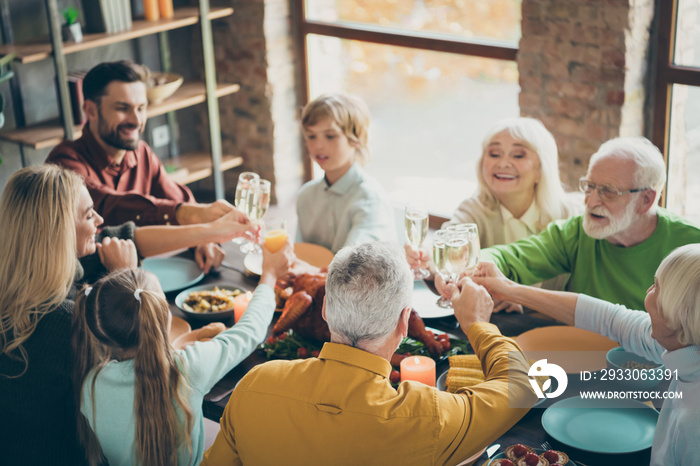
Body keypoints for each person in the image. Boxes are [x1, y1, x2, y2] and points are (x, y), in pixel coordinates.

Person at [0, 165, 255, 465]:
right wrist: (127, 275)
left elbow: (124, 240)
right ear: (57, 231)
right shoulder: (65, 320)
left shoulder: (26, 276)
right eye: (88, 214)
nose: (100, 220)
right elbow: (143, 370)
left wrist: (213, 230)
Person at [201, 242, 536, 465]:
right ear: (405, 323)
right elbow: (521, 386)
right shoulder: (427, 417)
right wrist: (478, 324)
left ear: (326, 310)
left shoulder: (255, 385)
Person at [473, 245, 700, 466]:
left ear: (678, 314)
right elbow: (612, 318)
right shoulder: (681, 340)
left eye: (657, 287)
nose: (648, 292)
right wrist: (509, 289)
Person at [73, 243, 292, 466]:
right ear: (162, 315)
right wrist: (269, 275)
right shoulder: (188, 368)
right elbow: (249, 331)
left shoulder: (91, 384)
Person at [45, 60, 232, 270]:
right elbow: (108, 206)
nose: (136, 120)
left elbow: (178, 200)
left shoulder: (141, 153)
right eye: (123, 108)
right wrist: (192, 216)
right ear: (90, 110)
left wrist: (203, 240)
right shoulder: (63, 163)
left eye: (141, 108)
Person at [478, 136, 700, 311]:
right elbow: (511, 257)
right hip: (582, 356)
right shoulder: (576, 232)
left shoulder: (691, 245)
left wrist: (513, 292)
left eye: (608, 191)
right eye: (590, 186)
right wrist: (478, 266)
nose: (591, 201)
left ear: (646, 200)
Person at [406, 117, 581, 301]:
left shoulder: (571, 215)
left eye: (518, 155)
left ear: (541, 169)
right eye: (495, 154)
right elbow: (448, 250)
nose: (503, 163)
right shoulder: (474, 210)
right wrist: (428, 262)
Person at [296, 93, 396, 253]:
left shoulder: (370, 201)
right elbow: (301, 254)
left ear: (356, 139)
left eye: (330, 136)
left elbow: (351, 269)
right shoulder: (305, 196)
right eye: (311, 136)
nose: (318, 145)